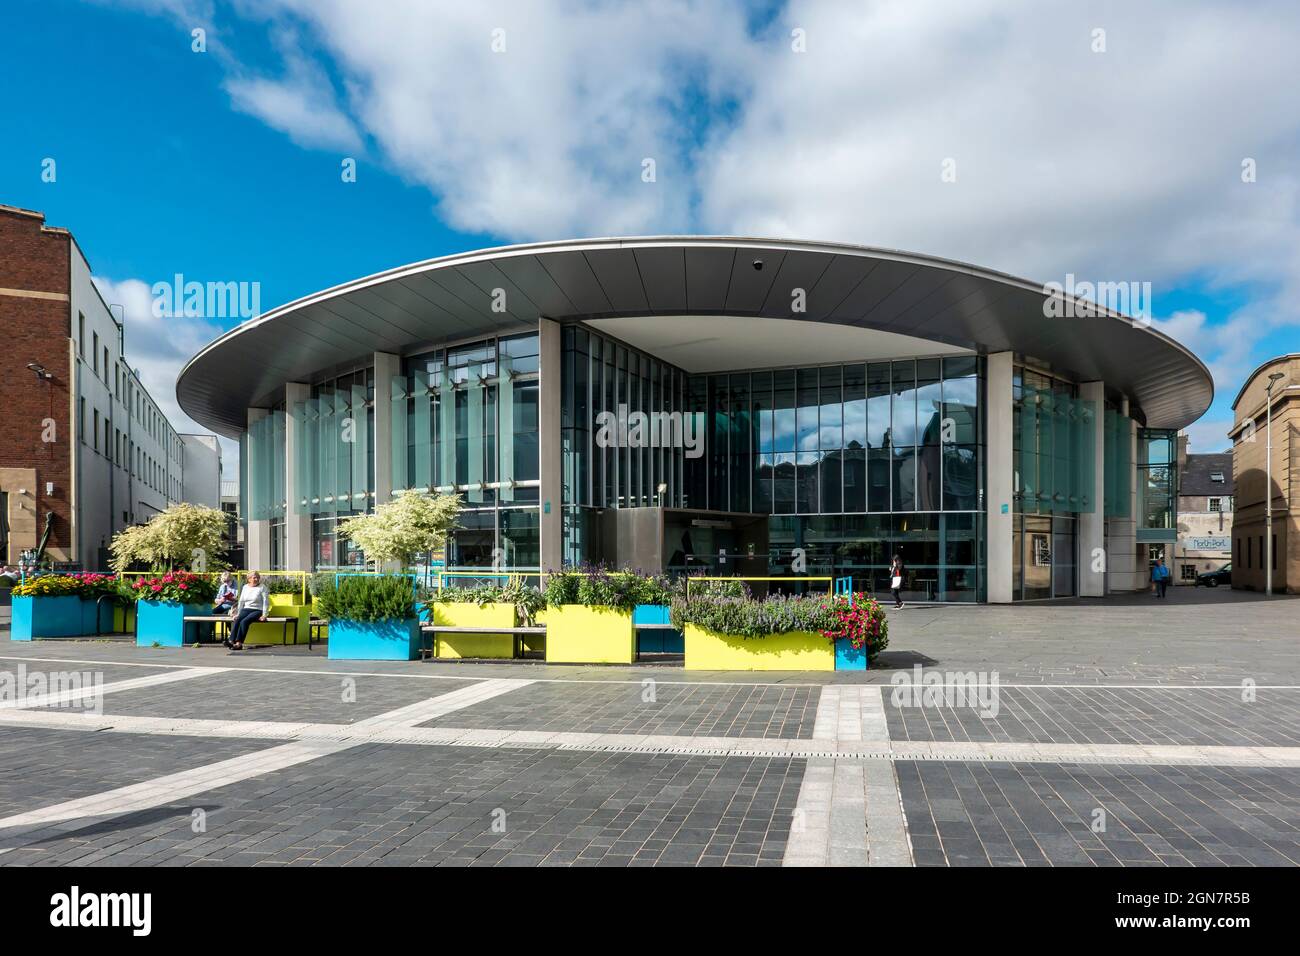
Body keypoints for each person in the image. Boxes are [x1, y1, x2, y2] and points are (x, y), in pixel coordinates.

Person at [225, 571, 268, 650]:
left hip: (257, 610)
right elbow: (241, 601)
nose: (256, 579)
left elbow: (265, 602)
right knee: (238, 619)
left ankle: (239, 643)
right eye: (254, 577)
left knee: (245, 621)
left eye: (257, 577)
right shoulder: (245, 587)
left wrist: (264, 615)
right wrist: (238, 613)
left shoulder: (262, 587)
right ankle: (231, 641)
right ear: (249, 579)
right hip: (246, 609)